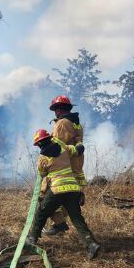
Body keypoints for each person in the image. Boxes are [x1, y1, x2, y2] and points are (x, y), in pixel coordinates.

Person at [28, 129, 100, 259]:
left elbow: (42, 174)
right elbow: (78, 150)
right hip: (73, 188)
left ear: (39, 144)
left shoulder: (42, 158)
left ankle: (32, 239)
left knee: (42, 212)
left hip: (57, 190)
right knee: (77, 218)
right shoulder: (64, 148)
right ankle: (91, 244)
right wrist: (78, 142)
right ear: (50, 139)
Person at [45, 94, 84, 236]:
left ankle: (59, 224)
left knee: (46, 196)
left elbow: (56, 148)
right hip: (74, 165)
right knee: (68, 197)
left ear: (59, 110)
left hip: (62, 167)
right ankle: (61, 225)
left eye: (56, 109)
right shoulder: (76, 123)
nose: (55, 112)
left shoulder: (62, 124)